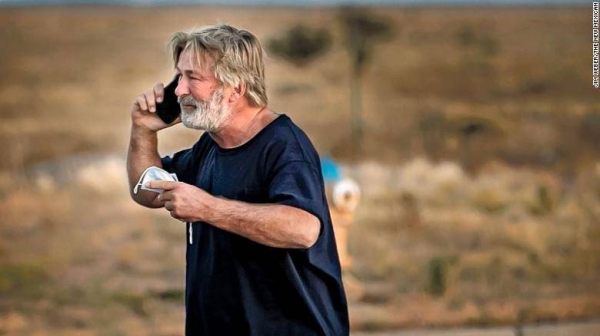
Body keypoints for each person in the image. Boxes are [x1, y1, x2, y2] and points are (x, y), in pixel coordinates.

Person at [126, 24, 349, 335]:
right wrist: (143, 130)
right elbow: (147, 191)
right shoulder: (211, 145)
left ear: (236, 88)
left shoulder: (284, 146)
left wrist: (208, 209)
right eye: (179, 76)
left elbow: (304, 228)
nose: (178, 90)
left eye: (194, 78)